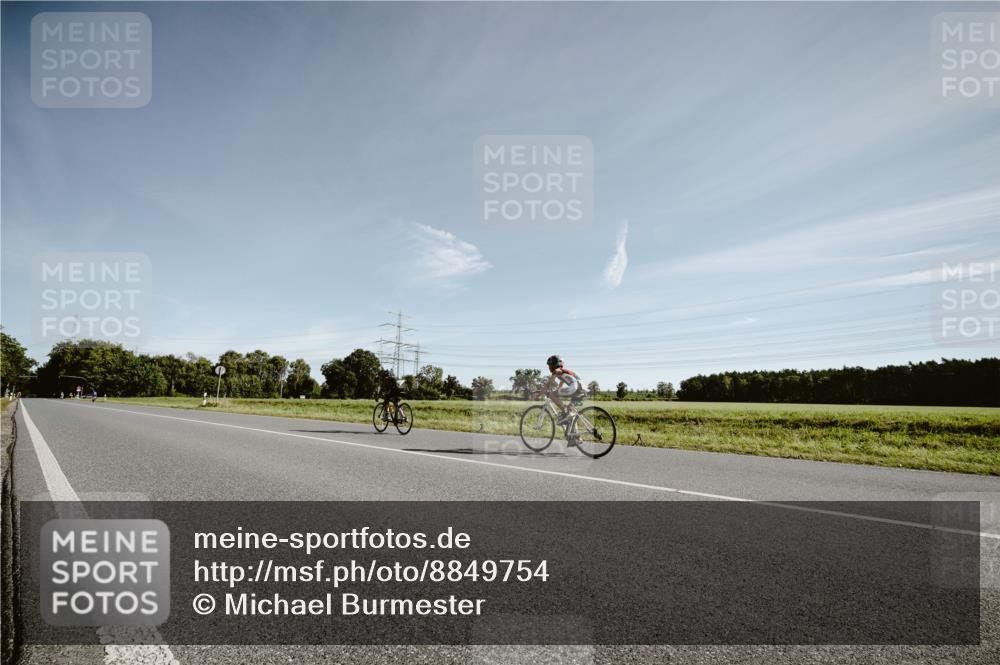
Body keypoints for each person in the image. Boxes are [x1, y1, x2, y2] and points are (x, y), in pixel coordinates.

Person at [540, 355, 587, 425]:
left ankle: (565, 412)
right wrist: (556, 390)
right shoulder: (563, 372)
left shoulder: (557, 371)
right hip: (581, 388)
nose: (549, 367)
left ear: (554, 365)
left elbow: (549, 382)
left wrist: (543, 391)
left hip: (575, 387)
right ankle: (574, 434)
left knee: (552, 394)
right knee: (571, 412)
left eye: (550, 365)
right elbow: (561, 384)